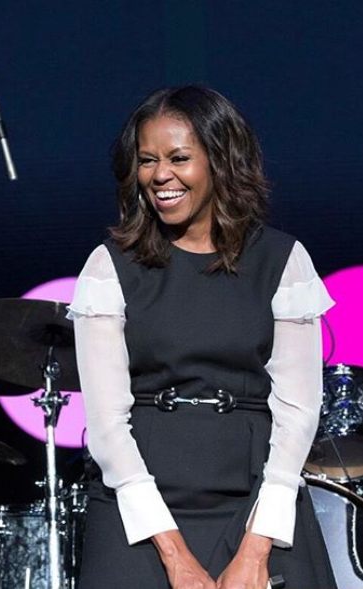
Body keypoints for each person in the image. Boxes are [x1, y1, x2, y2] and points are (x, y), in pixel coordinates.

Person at [68, 86, 337, 588]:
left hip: (257, 502)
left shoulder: (283, 260)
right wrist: (175, 556)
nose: (160, 175)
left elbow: (299, 412)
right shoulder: (109, 266)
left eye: (179, 158)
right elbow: (105, 424)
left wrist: (256, 551)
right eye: (147, 160)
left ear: (221, 160)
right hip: (142, 509)